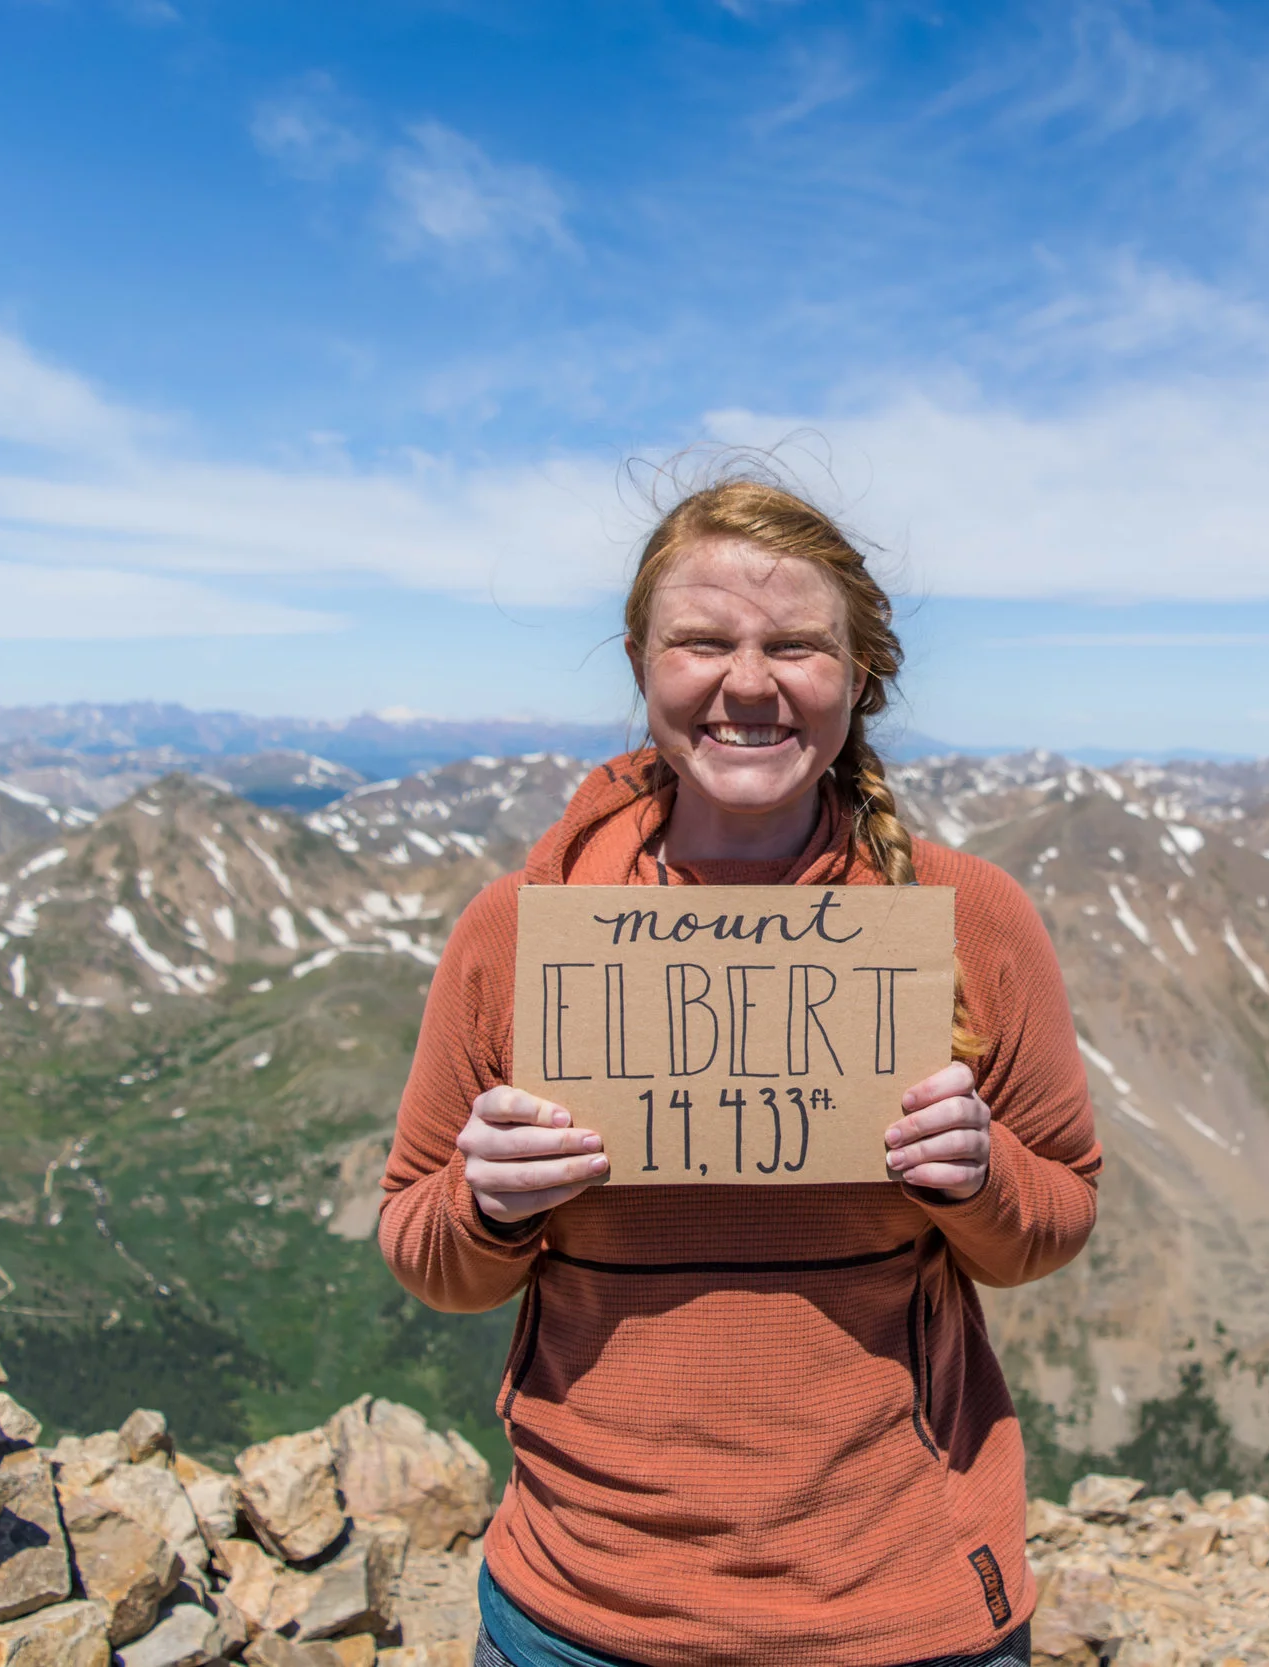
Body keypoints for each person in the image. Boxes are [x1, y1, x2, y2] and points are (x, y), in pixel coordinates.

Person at [377, 475, 1102, 1667]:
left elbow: (1055, 1218)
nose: (749, 682)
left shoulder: (968, 916)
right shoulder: (521, 931)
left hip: (900, 1608)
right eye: (703, 641)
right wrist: (487, 1200)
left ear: (859, 674)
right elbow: (423, 1248)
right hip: (579, 1608)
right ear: (640, 662)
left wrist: (983, 1178)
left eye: (796, 645)